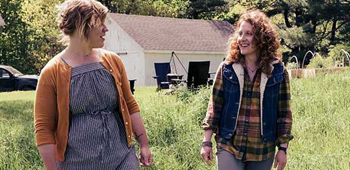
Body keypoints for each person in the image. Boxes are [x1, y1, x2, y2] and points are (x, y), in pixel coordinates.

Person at [34, 0, 152, 169]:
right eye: (100, 24)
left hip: (122, 158)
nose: (106, 29)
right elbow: (44, 128)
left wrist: (144, 145)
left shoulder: (112, 61)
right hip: (76, 163)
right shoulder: (52, 71)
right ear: (82, 25)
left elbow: (130, 104)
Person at [200, 9, 293, 170]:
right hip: (228, 144)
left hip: (262, 149)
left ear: (262, 38)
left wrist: (283, 149)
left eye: (249, 34)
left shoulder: (278, 71)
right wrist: (206, 141)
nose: (242, 38)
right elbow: (214, 107)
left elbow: (284, 113)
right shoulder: (227, 69)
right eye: (240, 33)